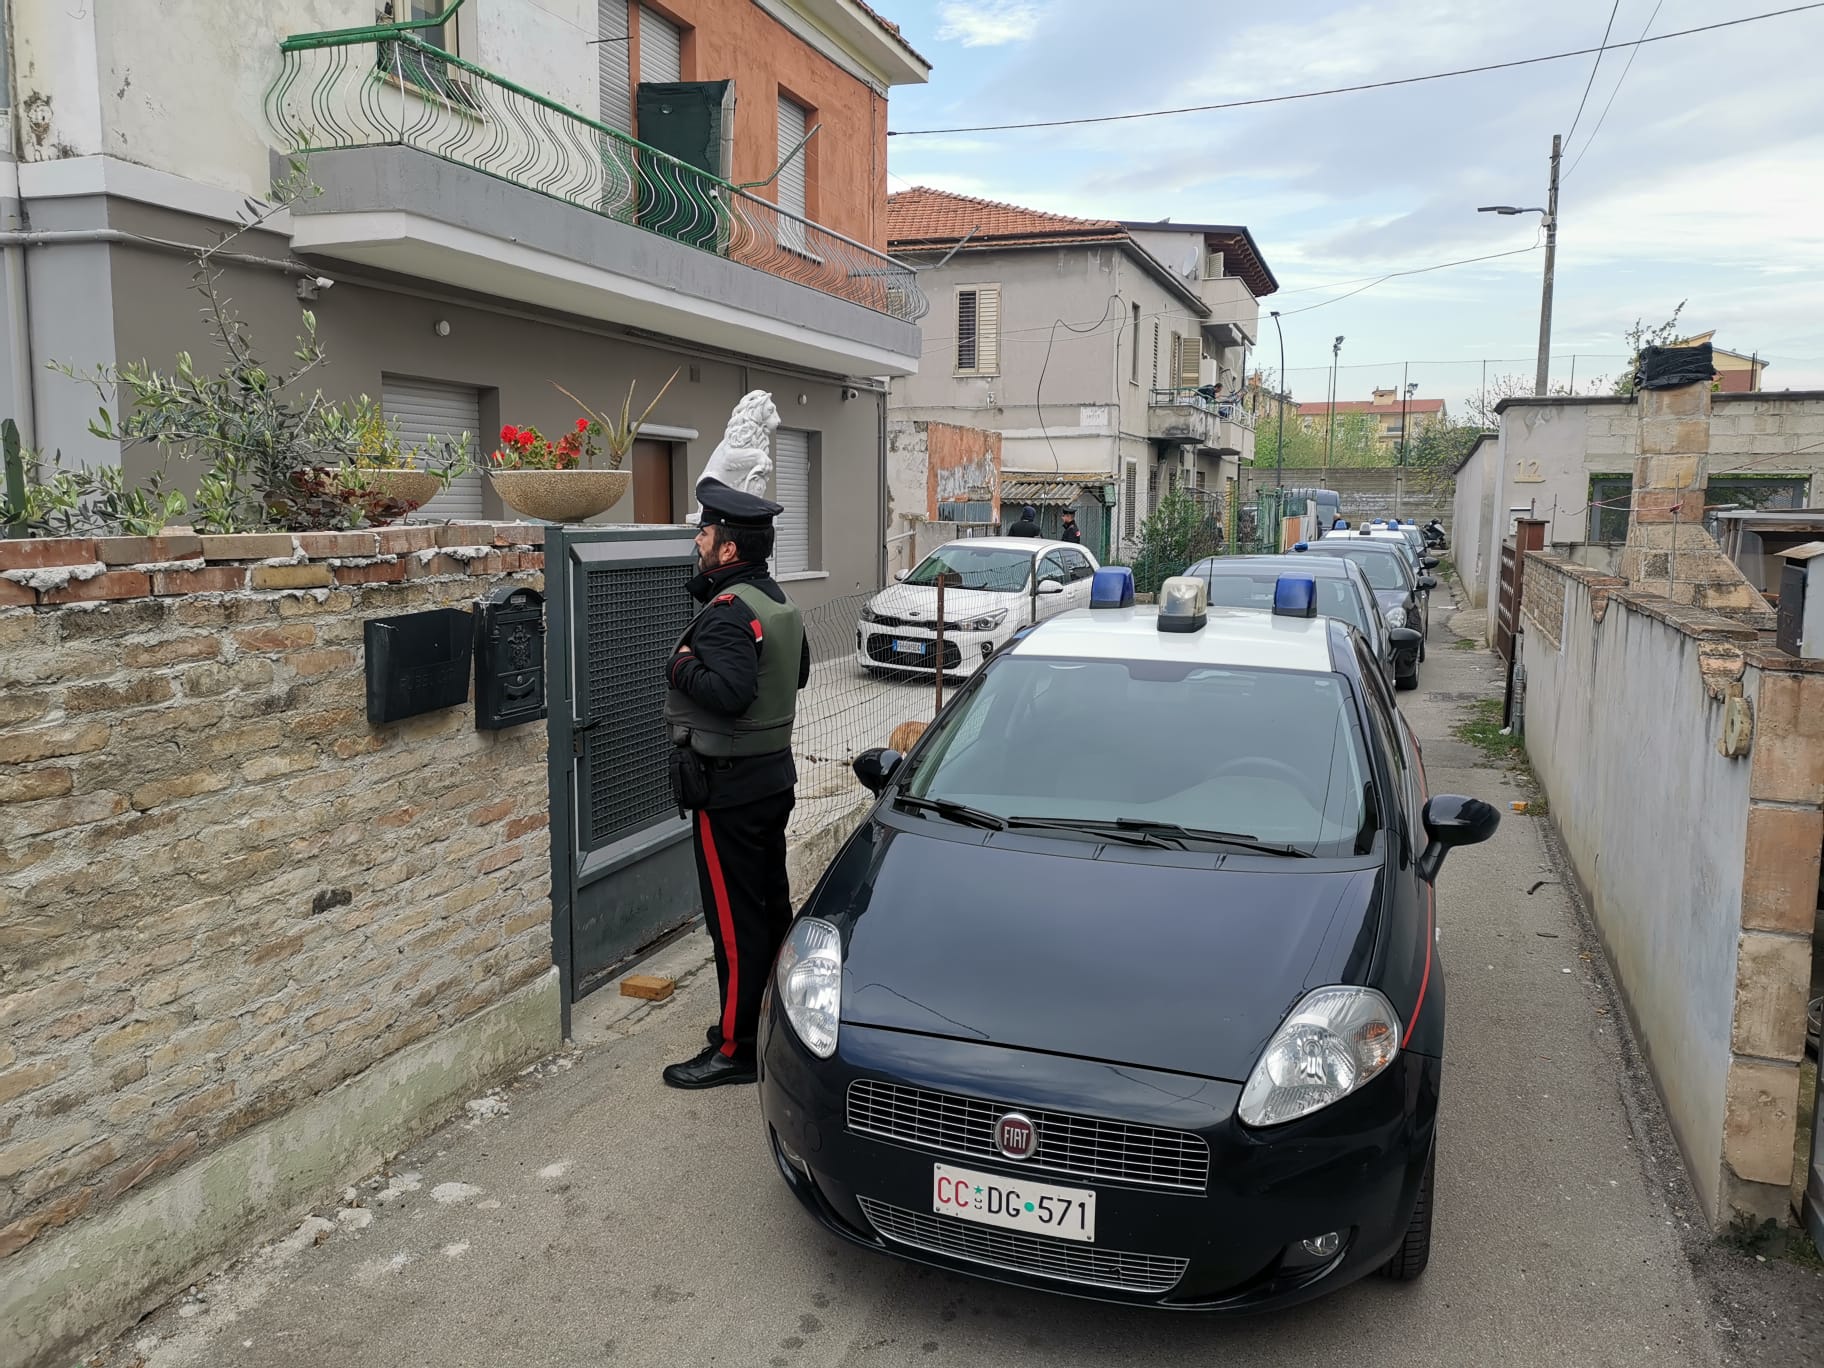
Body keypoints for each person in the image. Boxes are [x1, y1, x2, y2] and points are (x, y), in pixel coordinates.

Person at [660, 477, 811, 1089]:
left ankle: (736, 1048)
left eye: (704, 532)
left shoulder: (728, 614)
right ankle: (765, 1020)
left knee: (734, 923)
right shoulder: (775, 601)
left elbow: (730, 693)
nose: (697, 540)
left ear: (727, 548)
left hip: (729, 789)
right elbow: (797, 673)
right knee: (769, 909)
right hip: (771, 779)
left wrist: (680, 664)